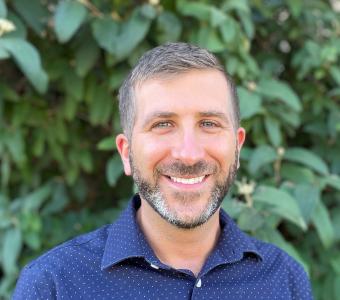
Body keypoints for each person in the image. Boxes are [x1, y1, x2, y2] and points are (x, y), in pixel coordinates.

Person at [13, 42, 313, 299]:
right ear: (126, 152)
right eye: (163, 125)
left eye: (209, 123)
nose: (188, 153)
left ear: (237, 148)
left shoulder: (285, 282)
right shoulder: (54, 284)